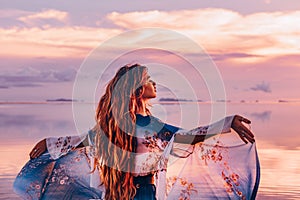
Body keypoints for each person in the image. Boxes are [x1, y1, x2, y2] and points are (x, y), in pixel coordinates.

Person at [13, 64, 259, 200]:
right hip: (142, 195)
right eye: (149, 79)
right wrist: (227, 123)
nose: (155, 83)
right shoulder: (151, 126)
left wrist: (50, 143)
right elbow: (189, 136)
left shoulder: (110, 126)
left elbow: (81, 141)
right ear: (139, 90)